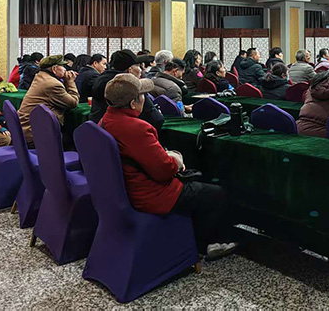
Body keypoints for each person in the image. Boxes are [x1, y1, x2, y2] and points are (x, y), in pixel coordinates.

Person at [100, 74, 237, 260]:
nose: (145, 99)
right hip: (151, 194)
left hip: (126, 189)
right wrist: (176, 160)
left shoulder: (105, 120)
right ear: (133, 103)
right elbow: (163, 171)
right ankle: (211, 243)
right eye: (143, 95)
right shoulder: (136, 128)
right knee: (216, 193)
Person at [17, 55, 80, 147]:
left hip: (27, 129)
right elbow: (73, 102)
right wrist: (70, 82)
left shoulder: (41, 76)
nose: (65, 69)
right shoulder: (52, 84)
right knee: (72, 139)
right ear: (54, 69)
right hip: (35, 132)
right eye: (63, 67)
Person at [90, 50, 163, 129]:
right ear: (130, 70)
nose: (141, 70)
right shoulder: (130, 86)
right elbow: (156, 119)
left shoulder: (100, 80)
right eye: (138, 66)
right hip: (127, 131)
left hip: (100, 129)